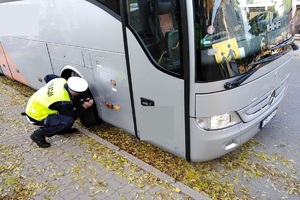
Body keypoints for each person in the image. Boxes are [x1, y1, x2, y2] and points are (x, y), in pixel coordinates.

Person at [23, 74, 94, 148]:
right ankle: (38, 134)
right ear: (74, 92)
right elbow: (72, 116)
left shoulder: (61, 80)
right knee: (67, 121)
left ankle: (61, 130)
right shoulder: (63, 101)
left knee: (65, 116)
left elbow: (47, 77)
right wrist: (84, 106)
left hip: (33, 105)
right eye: (80, 93)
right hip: (36, 115)